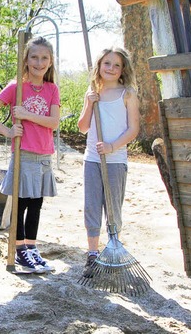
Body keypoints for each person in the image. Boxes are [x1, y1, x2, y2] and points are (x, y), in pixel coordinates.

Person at [0, 36, 60, 274]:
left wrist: (26, 114)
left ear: (50, 61)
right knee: (22, 203)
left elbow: (54, 122)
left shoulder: (52, 89)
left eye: (44, 58)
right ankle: (19, 249)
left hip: (44, 155)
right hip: (24, 153)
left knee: (37, 203)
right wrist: (7, 130)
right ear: (25, 60)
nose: (39, 62)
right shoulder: (16, 87)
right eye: (34, 57)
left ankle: (31, 247)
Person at [77, 47, 140, 276]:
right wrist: (89, 104)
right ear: (99, 66)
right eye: (107, 64)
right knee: (92, 205)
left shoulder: (128, 93)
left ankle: (113, 247)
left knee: (113, 207)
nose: (111, 68)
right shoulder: (93, 91)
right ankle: (93, 253)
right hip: (92, 159)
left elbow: (134, 129)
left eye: (116, 65)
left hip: (115, 161)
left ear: (123, 69)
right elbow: (83, 127)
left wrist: (113, 146)